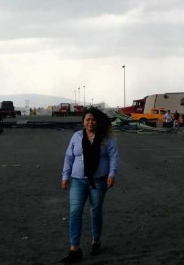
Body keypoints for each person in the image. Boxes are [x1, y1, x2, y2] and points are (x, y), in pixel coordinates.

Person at [61, 107, 119, 263]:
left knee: (95, 211)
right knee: (75, 212)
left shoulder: (105, 138)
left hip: (99, 180)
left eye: (93, 119)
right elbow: (68, 158)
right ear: (83, 122)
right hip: (77, 180)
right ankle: (74, 248)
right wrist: (65, 176)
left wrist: (112, 174)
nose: (90, 122)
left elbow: (114, 156)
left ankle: (96, 241)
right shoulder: (76, 137)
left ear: (97, 121)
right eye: (87, 119)